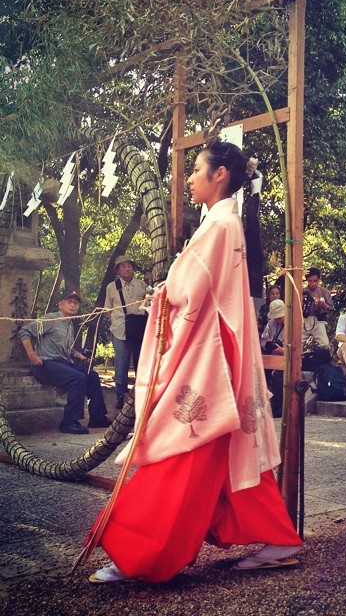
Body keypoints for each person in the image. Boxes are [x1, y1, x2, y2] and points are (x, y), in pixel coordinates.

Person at [86, 141, 302, 583]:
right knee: (222, 444)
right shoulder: (221, 222)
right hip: (216, 343)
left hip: (210, 351)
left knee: (182, 443)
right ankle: (277, 537)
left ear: (219, 174)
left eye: (196, 170)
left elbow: (190, 288)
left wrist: (163, 293)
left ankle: (138, 552)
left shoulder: (221, 224)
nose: (188, 178)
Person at [18, 290, 111, 434]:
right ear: (60, 304)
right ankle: (68, 422)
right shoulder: (51, 319)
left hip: (62, 364)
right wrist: (32, 354)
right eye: (69, 302)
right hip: (45, 364)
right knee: (78, 379)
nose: (73, 305)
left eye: (76, 303)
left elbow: (67, 349)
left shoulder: (70, 325)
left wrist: (79, 355)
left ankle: (97, 417)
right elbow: (25, 331)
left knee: (91, 376)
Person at [104, 255, 148, 409]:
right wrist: (115, 322)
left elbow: (149, 305)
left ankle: (141, 395)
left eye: (129, 265)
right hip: (120, 329)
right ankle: (120, 396)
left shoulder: (142, 285)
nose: (127, 268)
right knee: (121, 364)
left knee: (140, 362)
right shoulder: (111, 287)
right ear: (117, 270)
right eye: (123, 266)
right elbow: (107, 309)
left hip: (139, 328)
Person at [261, 298, 285, 418]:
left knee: (277, 376)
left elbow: (298, 348)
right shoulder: (271, 323)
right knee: (260, 373)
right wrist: (269, 345)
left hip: (286, 359)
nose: (278, 319)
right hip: (271, 357)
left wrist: (283, 350)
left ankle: (278, 408)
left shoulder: (293, 324)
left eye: (279, 317)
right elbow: (263, 340)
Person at [301, 268, 333, 349]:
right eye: (310, 281)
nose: (313, 283)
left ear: (318, 280)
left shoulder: (324, 292)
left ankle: (324, 360)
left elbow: (330, 308)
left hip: (319, 320)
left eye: (315, 281)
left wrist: (322, 304)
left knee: (325, 344)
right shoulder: (302, 291)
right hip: (303, 320)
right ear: (307, 280)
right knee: (298, 345)